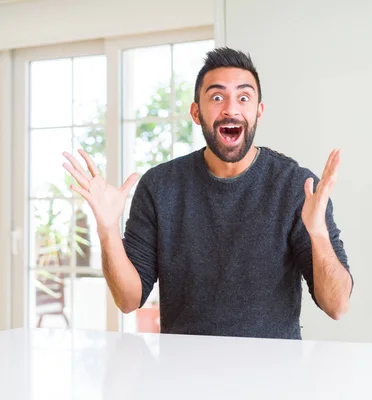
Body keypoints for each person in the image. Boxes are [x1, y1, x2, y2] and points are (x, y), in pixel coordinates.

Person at [62, 47, 353, 340]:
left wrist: (317, 233)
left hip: (273, 377)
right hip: (183, 374)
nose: (231, 109)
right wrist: (108, 229)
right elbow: (128, 300)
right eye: (217, 97)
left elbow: (337, 305)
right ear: (196, 112)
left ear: (258, 112)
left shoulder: (296, 186)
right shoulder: (160, 186)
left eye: (243, 97)